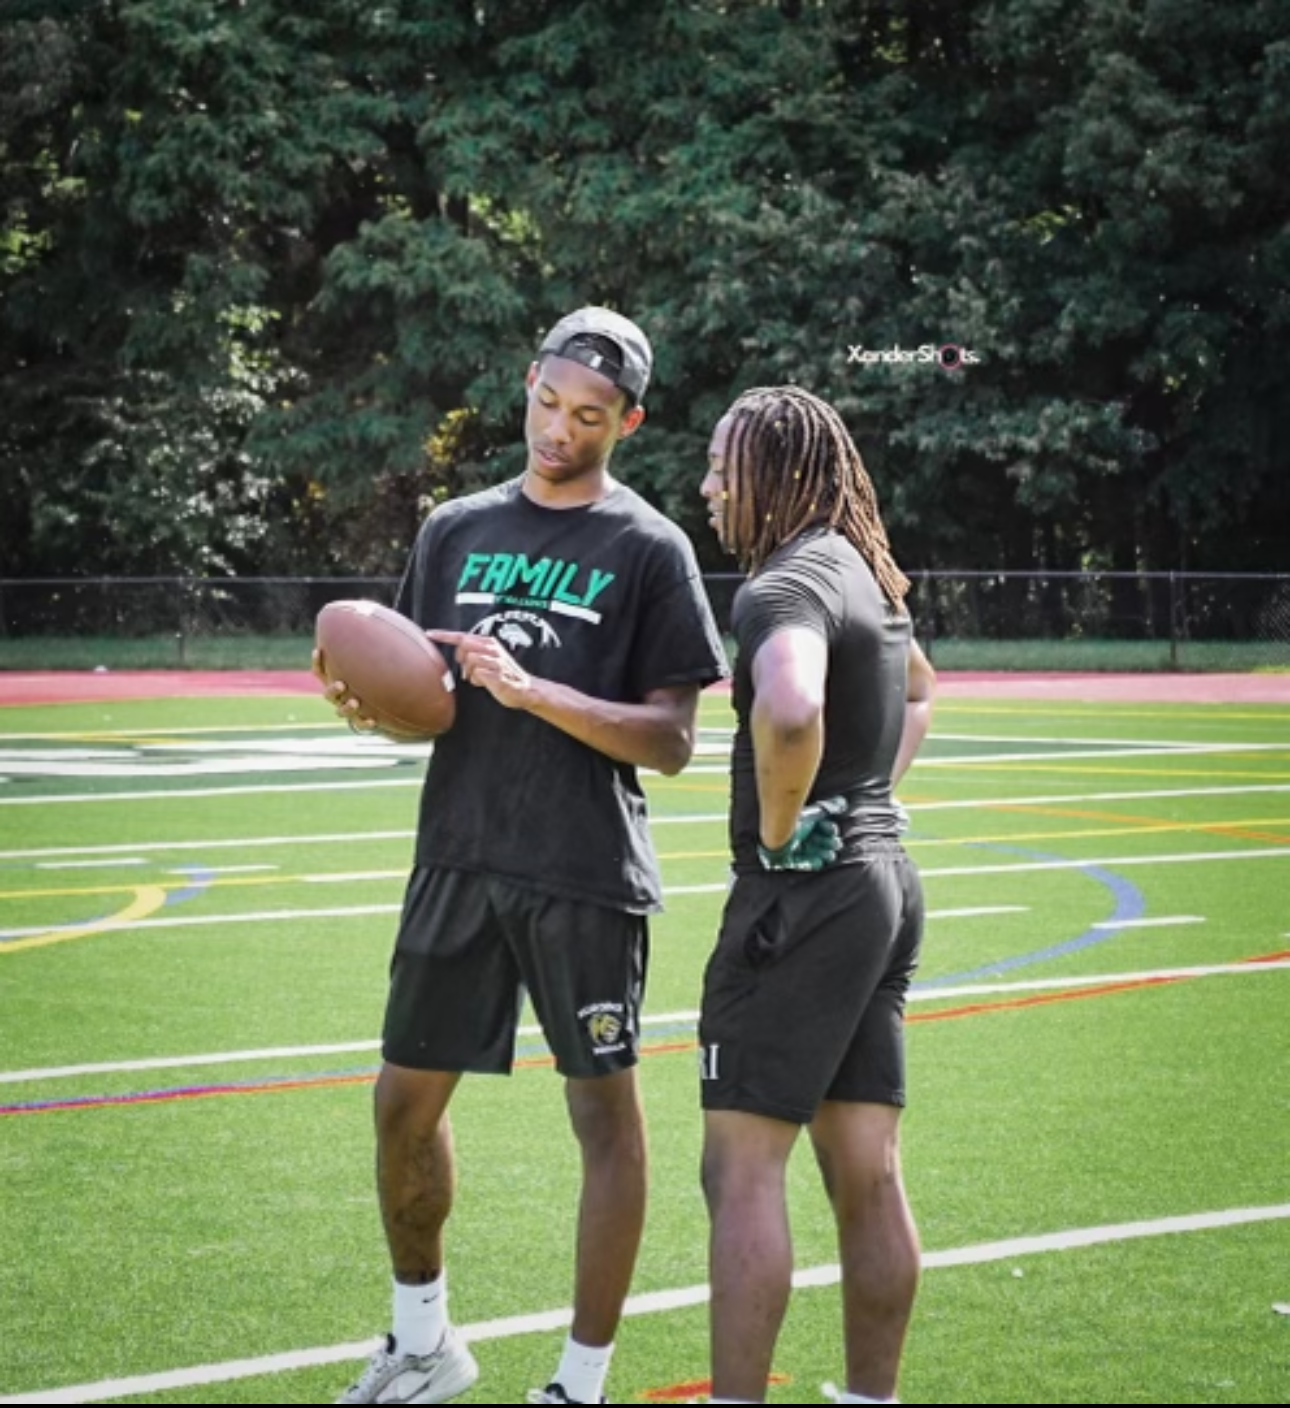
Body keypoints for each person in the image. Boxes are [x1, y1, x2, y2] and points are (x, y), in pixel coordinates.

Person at [320, 306, 729, 1406]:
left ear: (628, 420)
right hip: (458, 854)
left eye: (588, 415)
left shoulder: (649, 547)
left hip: (582, 868)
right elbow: (429, 703)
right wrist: (373, 706)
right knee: (403, 1104)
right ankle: (423, 1341)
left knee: (603, 1119)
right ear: (529, 382)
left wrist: (535, 688)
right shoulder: (453, 527)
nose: (558, 429)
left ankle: (580, 1384)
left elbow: (675, 741)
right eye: (547, 402)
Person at [695, 384, 936, 1405]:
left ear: (772, 475)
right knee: (866, 1168)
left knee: (742, 1170)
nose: (707, 488)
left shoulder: (783, 585)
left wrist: (787, 827)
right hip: (883, 886)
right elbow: (920, 689)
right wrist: (873, 794)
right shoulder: (864, 572)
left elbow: (790, 708)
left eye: (720, 467)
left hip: (804, 899)